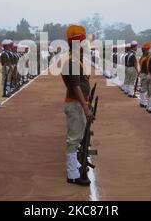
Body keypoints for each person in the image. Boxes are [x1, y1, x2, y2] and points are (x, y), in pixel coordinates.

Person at [61, 25, 95, 186]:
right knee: (73, 139)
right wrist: (86, 107)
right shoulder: (72, 62)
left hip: (77, 104)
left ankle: (75, 166)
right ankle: (72, 174)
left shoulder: (76, 61)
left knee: (78, 136)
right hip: (75, 104)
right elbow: (76, 87)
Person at [138, 42, 151, 108]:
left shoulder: (142, 57)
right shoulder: (145, 58)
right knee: (144, 89)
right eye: (148, 50)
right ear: (146, 51)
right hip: (145, 74)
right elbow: (146, 68)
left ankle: (142, 102)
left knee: (143, 88)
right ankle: (144, 103)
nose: (149, 51)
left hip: (142, 74)